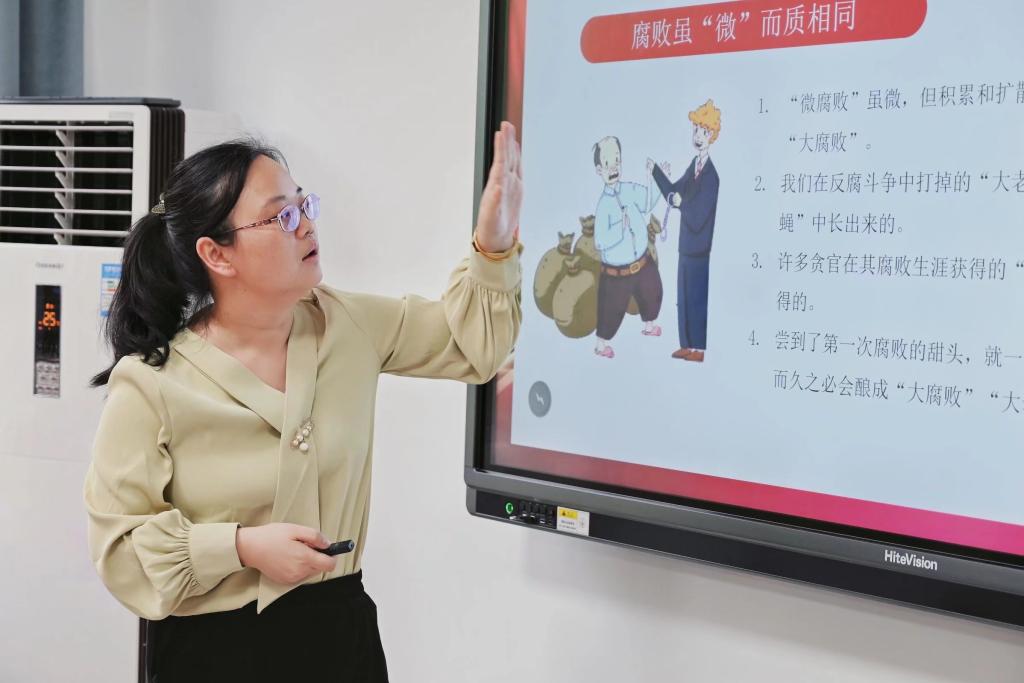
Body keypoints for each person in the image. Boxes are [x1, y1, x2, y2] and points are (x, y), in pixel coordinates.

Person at [83, 122, 524, 681]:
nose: (307, 224)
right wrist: (240, 547)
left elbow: (471, 346)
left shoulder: (349, 324)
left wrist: (493, 245)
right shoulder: (151, 384)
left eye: (304, 204)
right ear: (216, 254)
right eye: (282, 217)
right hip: (214, 657)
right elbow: (120, 547)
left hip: (340, 644)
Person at [651, 99, 721, 362]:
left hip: (699, 247)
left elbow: (700, 213)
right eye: (696, 131)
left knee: (697, 298)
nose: (698, 137)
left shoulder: (711, 176)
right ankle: (686, 344)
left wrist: (682, 203)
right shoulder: (693, 167)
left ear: (712, 135)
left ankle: (698, 349)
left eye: (704, 132)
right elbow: (674, 192)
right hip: (686, 245)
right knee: (683, 296)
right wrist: (656, 173)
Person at [591, 135, 663, 359]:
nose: (613, 168)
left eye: (616, 161)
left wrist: (657, 178)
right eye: (607, 164)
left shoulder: (630, 190)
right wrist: (619, 229)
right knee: (610, 310)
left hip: (642, 261)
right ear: (599, 170)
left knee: (653, 291)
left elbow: (648, 201)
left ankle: (649, 325)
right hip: (616, 272)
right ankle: (601, 345)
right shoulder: (604, 205)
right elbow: (600, 241)